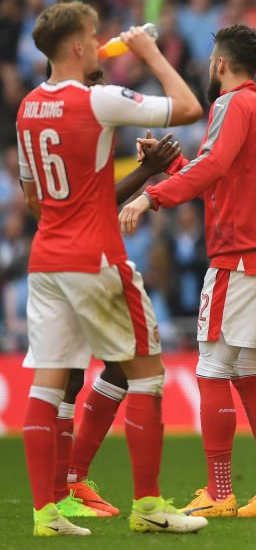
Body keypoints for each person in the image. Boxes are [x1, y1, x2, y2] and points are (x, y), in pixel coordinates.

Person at [17, 1, 207, 536]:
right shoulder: (97, 100)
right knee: (147, 378)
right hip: (96, 259)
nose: (100, 43)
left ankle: (46, 517)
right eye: (93, 36)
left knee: (47, 387)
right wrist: (149, 53)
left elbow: (37, 201)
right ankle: (148, 506)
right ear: (78, 46)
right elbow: (189, 107)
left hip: (46, 260)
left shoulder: (28, 107)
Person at [119, 25, 256, 518]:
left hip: (237, 255)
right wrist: (168, 168)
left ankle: (219, 492)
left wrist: (150, 193)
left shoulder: (230, 106)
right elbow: (219, 177)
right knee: (251, 374)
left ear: (219, 64)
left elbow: (214, 166)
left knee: (213, 369)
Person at [25, 128, 183, 520]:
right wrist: (148, 172)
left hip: (60, 257)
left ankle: (67, 485)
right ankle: (63, 490)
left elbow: (39, 201)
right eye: (94, 75)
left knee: (92, 374)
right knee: (109, 371)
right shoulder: (74, 120)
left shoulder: (36, 121)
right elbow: (86, 206)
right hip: (80, 261)